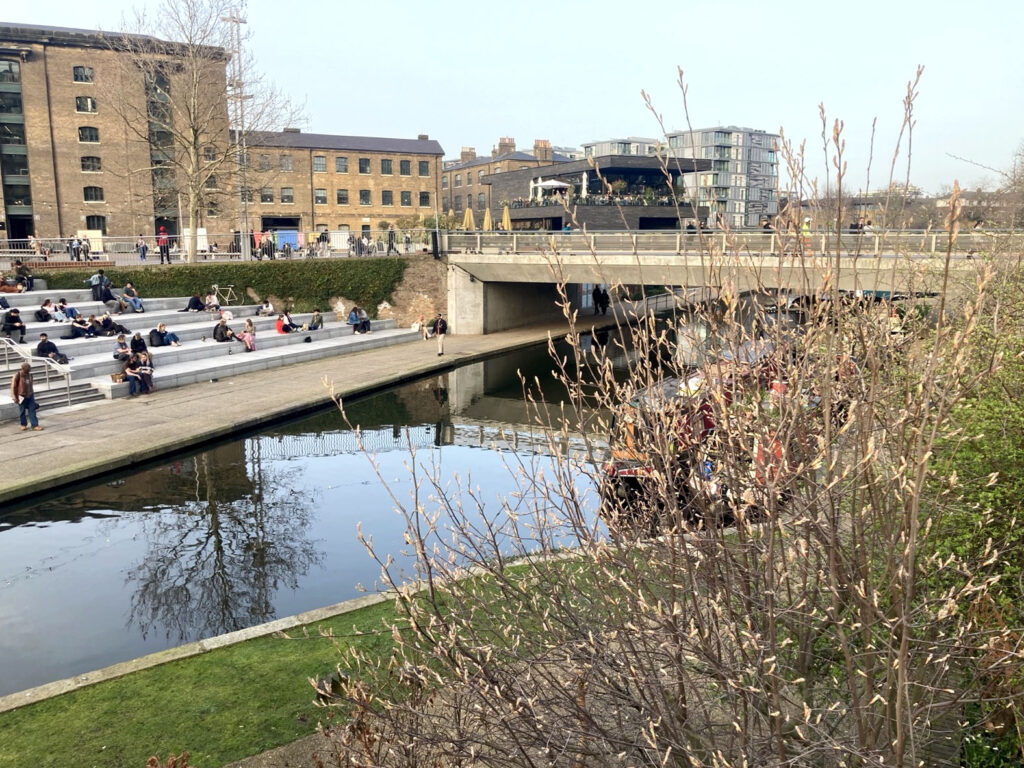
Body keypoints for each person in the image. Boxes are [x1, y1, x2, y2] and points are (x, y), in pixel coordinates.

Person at [11, 361, 41, 430]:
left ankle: (35, 425)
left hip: (30, 395)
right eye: (28, 368)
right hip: (21, 396)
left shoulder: (30, 375)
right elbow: (13, 387)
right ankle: (23, 424)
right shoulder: (17, 375)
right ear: (23, 368)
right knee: (22, 411)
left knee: (32, 410)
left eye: (29, 368)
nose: (29, 369)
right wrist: (14, 397)